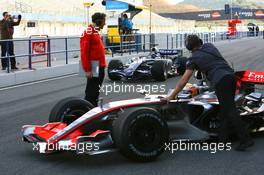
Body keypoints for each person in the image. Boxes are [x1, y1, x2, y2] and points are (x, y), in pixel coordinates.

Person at [162, 35, 254, 151]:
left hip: (221, 81)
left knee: (230, 110)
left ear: (188, 47)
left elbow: (184, 80)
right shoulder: (210, 46)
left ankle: (246, 140)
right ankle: (223, 140)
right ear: (200, 42)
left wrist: (172, 95)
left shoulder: (193, 59)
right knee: (224, 110)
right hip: (231, 77)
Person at [80, 13, 106, 107]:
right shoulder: (88, 32)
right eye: (103, 21)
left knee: (95, 92)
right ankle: (87, 111)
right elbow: (84, 52)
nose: (104, 23)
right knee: (91, 92)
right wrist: (87, 69)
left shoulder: (95, 32)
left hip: (100, 65)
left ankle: (92, 109)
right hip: (94, 66)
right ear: (99, 21)